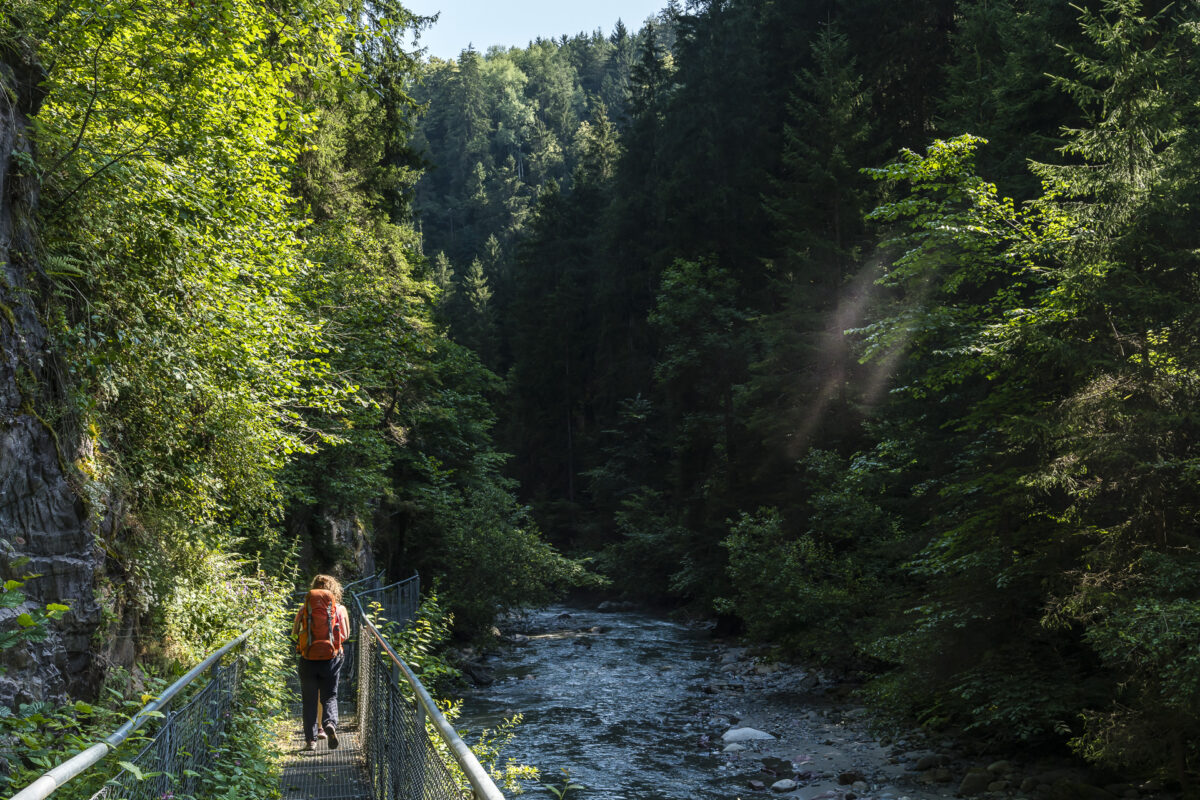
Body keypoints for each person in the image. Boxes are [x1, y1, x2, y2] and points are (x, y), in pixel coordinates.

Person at [292, 574, 351, 751]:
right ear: (334, 590)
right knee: (330, 696)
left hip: (308, 659)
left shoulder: (305, 609)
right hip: (331, 659)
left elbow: (295, 632)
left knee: (309, 700)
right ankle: (329, 723)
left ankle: (310, 741)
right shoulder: (339, 609)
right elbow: (346, 635)